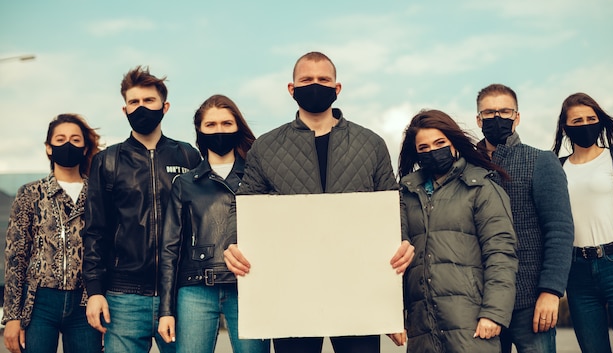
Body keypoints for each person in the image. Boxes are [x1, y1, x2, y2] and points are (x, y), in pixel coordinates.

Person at [223, 51, 415, 353]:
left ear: (337, 89)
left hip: (359, 288)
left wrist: (403, 240)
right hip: (290, 289)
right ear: (292, 89)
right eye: (307, 80)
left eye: (323, 79)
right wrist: (234, 244)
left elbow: (393, 202)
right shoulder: (266, 147)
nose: (315, 85)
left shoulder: (371, 143)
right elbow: (244, 205)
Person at [82, 66, 202, 353]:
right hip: (124, 297)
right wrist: (95, 291)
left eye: (149, 101)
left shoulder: (188, 155)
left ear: (165, 106)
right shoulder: (107, 161)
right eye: (134, 102)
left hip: (179, 295)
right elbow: (94, 230)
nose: (141, 107)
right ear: (124, 109)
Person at [398, 109, 518, 353]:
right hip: (422, 326)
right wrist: (394, 316)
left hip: (470, 322)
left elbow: (500, 254)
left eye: (440, 142)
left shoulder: (482, 187)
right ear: (417, 153)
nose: (433, 150)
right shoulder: (405, 195)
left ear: (454, 143)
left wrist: (494, 313)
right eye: (424, 147)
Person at [157, 94, 270, 353]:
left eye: (226, 123)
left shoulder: (259, 178)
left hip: (247, 285)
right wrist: (166, 311)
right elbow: (169, 250)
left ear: (237, 127)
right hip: (195, 290)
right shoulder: (184, 183)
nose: (219, 130)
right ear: (200, 130)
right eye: (211, 125)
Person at [475, 83, 575, 353]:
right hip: (480, 302)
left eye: (505, 111)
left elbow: (560, 230)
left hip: (530, 300)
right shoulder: (467, 165)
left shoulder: (540, 161)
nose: (497, 118)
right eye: (489, 113)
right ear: (478, 119)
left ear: (517, 117)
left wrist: (551, 291)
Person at [2, 114, 102, 353]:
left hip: (85, 301)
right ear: (49, 147)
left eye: (75, 139)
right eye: (60, 139)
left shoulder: (98, 195)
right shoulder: (30, 193)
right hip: (39, 303)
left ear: (85, 147)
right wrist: (12, 317)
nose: (68, 144)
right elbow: (16, 256)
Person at [552, 92, 613, 353]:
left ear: (600, 121)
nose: (585, 124)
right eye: (577, 120)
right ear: (565, 127)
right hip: (577, 272)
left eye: (590, 118)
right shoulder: (557, 168)